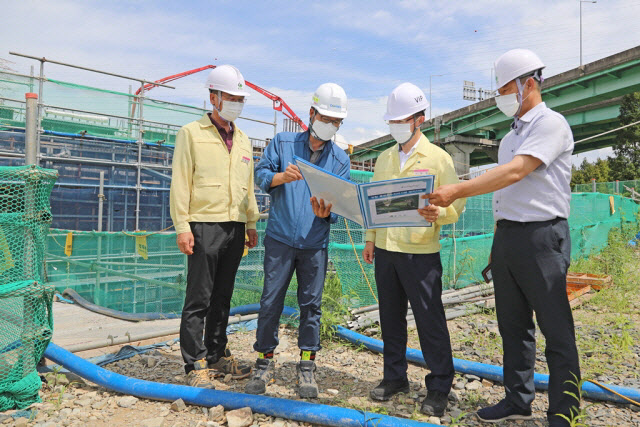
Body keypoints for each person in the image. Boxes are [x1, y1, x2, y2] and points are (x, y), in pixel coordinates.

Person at [426, 49, 580, 426]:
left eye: (504, 87)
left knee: (555, 326)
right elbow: (506, 192)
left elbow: (516, 173)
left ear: (529, 83)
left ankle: (565, 409)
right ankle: (518, 398)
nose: (499, 96)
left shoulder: (551, 124)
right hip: (509, 237)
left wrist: (457, 190)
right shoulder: (510, 136)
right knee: (513, 325)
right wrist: (498, 245)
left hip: (544, 237)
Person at [362, 82, 466, 417]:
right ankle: (395, 377)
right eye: (392, 119)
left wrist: (441, 213)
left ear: (419, 118)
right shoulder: (384, 158)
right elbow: (374, 203)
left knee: (429, 320)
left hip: (421, 253)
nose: (396, 125)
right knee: (390, 318)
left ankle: (439, 387)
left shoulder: (438, 158)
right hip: (387, 250)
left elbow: (457, 202)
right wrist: (370, 239)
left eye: (402, 119)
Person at [245, 83, 351, 398]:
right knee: (270, 302)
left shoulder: (340, 160)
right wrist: (280, 177)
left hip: (314, 244)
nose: (331, 125)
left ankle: (307, 367)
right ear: (312, 113)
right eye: (327, 118)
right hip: (279, 239)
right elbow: (261, 175)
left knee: (311, 306)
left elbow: (341, 207)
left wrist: (327, 213)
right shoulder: (283, 143)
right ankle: (263, 362)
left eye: (337, 121)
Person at [170, 64, 259, 389]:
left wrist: (251, 221)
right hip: (203, 224)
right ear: (213, 97)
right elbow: (180, 182)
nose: (236, 103)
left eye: (240, 98)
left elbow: (247, 186)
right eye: (230, 97)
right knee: (199, 297)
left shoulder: (246, 140)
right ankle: (195, 363)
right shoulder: (191, 134)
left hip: (235, 227)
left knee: (223, 296)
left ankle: (218, 354)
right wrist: (182, 225)